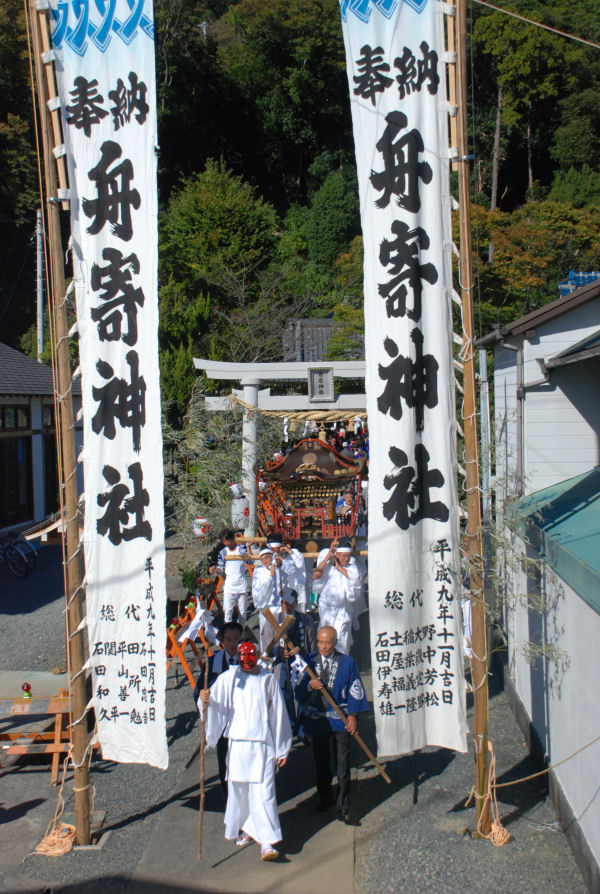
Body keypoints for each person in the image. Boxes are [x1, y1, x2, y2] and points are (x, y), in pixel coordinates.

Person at [199, 641, 292, 861]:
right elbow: (214, 702)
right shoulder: (229, 679)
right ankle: (246, 828)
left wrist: (282, 748)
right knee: (239, 792)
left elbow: (278, 714)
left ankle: (267, 842)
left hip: (262, 745)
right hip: (238, 745)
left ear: (257, 656)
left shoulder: (268, 679)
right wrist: (205, 700)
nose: (247, 666)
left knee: (264, 793)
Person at [295, 626, 369, 823]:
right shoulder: (309, 662)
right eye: (320, 642)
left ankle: (343, 805)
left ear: (335, 642)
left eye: (327, 642)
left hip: (341, 718)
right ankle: (325, 796)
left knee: (343, 763)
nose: (323, 646)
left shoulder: (347, 662)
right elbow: (299, 687)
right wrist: (310, 686)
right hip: (319, 719)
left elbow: (355, 688)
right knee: (321, 761)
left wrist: (353, 715)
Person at [193, 621, 242, 795]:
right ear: (222, 640)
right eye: (228, 639)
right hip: (222, 723)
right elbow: (198, 691)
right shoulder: (213, 663)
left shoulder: (247, 662)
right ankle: (229, 799)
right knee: (225, 764)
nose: (232, 643)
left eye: (236, 639)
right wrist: (202, 697)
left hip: (242, 722)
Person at [312, 538, 363, 654]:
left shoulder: (351, 566)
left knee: (342, 641)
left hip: (342, 611)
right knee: (325, 640)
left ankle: (341, 667)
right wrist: (327, 557)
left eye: (348, 556)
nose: (346, 559)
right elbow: (316, 575)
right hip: (326, 610)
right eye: (343, 556)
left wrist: (339, 568)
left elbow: (355, 578)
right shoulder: (328, 566)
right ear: (337, 555)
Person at [210, 529, 249, 623]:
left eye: (227, 540)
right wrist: (216, 569)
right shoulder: (223, 553)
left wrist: (248, 547)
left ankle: (241, 632)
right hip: (229, 586)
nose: (225, 543)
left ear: (232, 539)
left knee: (243, 612)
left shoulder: (241, 549)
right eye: (223, 541)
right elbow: (221, 569)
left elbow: (250, 560)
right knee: (227, 611)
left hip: (241, 585)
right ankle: (228, 633)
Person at [269, 537, 308, 610]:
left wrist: (290, 552)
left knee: (300, 613)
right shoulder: (275, 556)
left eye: (274, 549)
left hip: (298, 588)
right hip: (287, 591)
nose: (273, 551)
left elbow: (299, 565)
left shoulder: (294, 552)